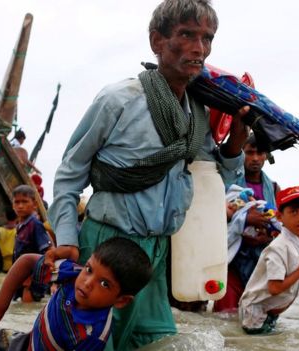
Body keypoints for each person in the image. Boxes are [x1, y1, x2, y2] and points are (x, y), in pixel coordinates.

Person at [47, 1, 251, 348]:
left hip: (155, 255)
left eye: (207, 38)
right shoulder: (118, 100)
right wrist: (66, 237)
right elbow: (70, 173)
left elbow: (214, 183)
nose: (199, 48)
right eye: (186, 34)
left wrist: (237, 141)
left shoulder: (196, 117)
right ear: (157, 40)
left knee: (156, 342)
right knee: (90, 341)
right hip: (106, 247)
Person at [0, 237, 153, 351]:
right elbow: (25, 262)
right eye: (89, 269)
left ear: (121, 301)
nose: (87, 283)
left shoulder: (92, 336)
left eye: (104, 284)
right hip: (18, 343)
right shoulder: (70, 273)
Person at [238, 186, 299, 334]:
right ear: (279, 217)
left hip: (269, 311)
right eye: (293, 211)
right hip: (256, 313)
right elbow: (274, 288)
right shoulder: (278, 248)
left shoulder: (298, 241)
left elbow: (290, 273)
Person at [214, 134, 278, 312]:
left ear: (266, 155)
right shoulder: (227, 184)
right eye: (250, 153)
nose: (255, 158)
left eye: (260, 153)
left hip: (260, 262)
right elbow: (212, 216)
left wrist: (267, 236)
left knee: (255, 316)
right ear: (242, 153)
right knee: (225, 315)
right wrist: (246, 220)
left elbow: (279, 223)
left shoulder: (273, 188)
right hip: (231, 261)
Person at [11, 185, 53, 302]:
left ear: (34, 204)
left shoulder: (35, 224)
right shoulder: (20, 226)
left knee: (28, 306)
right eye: (17, 202)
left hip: (31, 281)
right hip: (21, 279)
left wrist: (31, 278)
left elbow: (47, 252)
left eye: (24, 202)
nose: (20, 206)